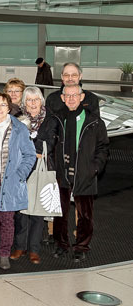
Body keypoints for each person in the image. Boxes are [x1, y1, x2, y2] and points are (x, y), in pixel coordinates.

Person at [41, 84, 109, 262]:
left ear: (82, 97)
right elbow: (47, 143)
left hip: (85, 174)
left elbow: (103, 147)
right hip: (61, 174)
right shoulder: (56, 118)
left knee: (85, 215)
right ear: (62, 98)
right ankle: (61, 244)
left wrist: (95, 168)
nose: (71, 99)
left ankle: (81, 246)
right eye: (67, 95)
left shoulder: (94, 121)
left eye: (75, 95)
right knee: (60, 214)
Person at [0, 92, 37, 271]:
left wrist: (20, 175)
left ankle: (4, 254)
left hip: (9, 181)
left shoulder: (19, 128)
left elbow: (30, 155)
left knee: (7, 220)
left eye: (3, 105)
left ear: (9, 108)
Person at [13, 86, 49, 264]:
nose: (33, 103)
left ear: (41, 101)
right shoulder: (17, 121)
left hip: (41, 170)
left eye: (36, 100)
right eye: (29, 100)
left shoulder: (50, 120)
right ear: (24, 103)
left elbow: (53, 141)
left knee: (37, 212)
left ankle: (34, 249)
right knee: (21, 211)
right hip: (21, 170)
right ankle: (20, 246)